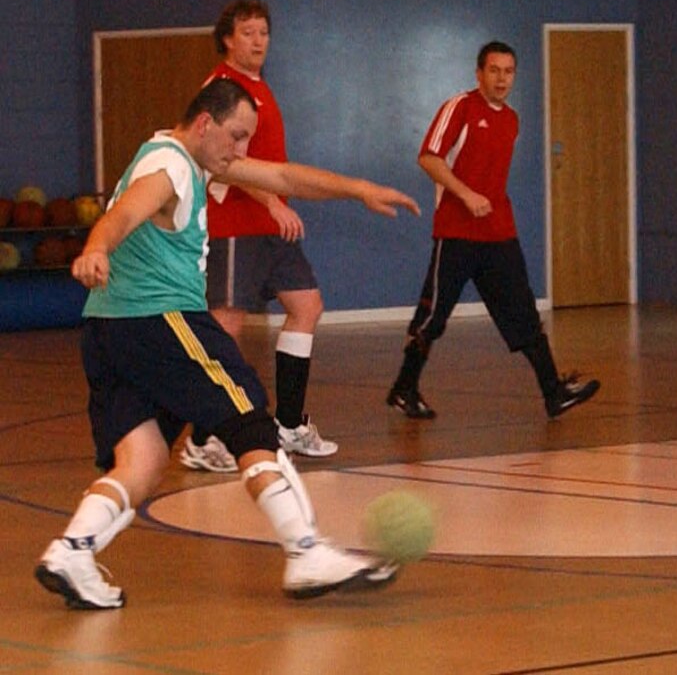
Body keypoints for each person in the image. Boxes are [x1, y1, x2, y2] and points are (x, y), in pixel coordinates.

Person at [37, 78, 417, 609]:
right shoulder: (169, 164)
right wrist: (96, 248)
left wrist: (358, 188)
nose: (240, 152)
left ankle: (73, 551)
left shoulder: (190, 157)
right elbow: (120, 216)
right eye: (236, 137)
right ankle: (306, 551)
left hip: (110, 330)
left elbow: (283, 176)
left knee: (143, 461)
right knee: (250, 421)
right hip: (161, 318)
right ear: (204, 123)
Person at [387, 41, 598, 419]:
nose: (502, 79)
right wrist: (466, 195)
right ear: (479, 73)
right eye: (495, 70)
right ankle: (405, 387)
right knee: (433, 317)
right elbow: (429, 157)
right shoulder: (460, 108)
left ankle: (553, 392)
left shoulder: (512, 119)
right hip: (455, 233)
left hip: (499, 231)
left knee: (523, 312)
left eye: (509, 71)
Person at [176, 0, 337, 475]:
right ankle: (203, 438)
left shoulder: (260, 87)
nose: (258, 40)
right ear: (228, 38)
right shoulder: (220, 89)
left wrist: (273, 207)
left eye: (263, 32)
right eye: (248, 32)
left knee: (306, 306)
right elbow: (223, 159)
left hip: (269, 225)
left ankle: (288, 424)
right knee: (225, 326)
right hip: (234, 224)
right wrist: (272, 200)